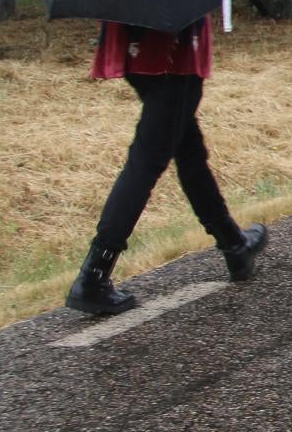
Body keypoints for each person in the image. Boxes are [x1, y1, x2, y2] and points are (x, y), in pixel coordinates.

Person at [67, 16, 267, 315]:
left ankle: (235, 245)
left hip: (137, 48)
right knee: (146, 162)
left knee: (189, 151)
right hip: (173, 55)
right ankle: (94, 275)